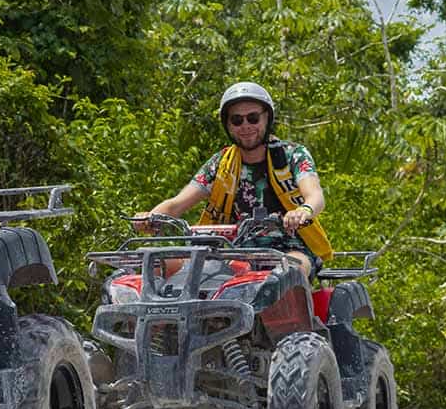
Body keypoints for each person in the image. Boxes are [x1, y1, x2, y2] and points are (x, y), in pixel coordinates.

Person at [137, 82, 332, 277]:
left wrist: (303, 211)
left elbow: (315, 195)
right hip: (232, 253)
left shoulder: (293, 155)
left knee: (290, 271)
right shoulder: (221, 163)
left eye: (253, 118)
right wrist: (149, 218)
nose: (245, 126)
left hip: (290, 248)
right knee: (156, 263)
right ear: (228, 124)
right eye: (237, 120)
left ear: (267, 118)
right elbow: (176, 204)